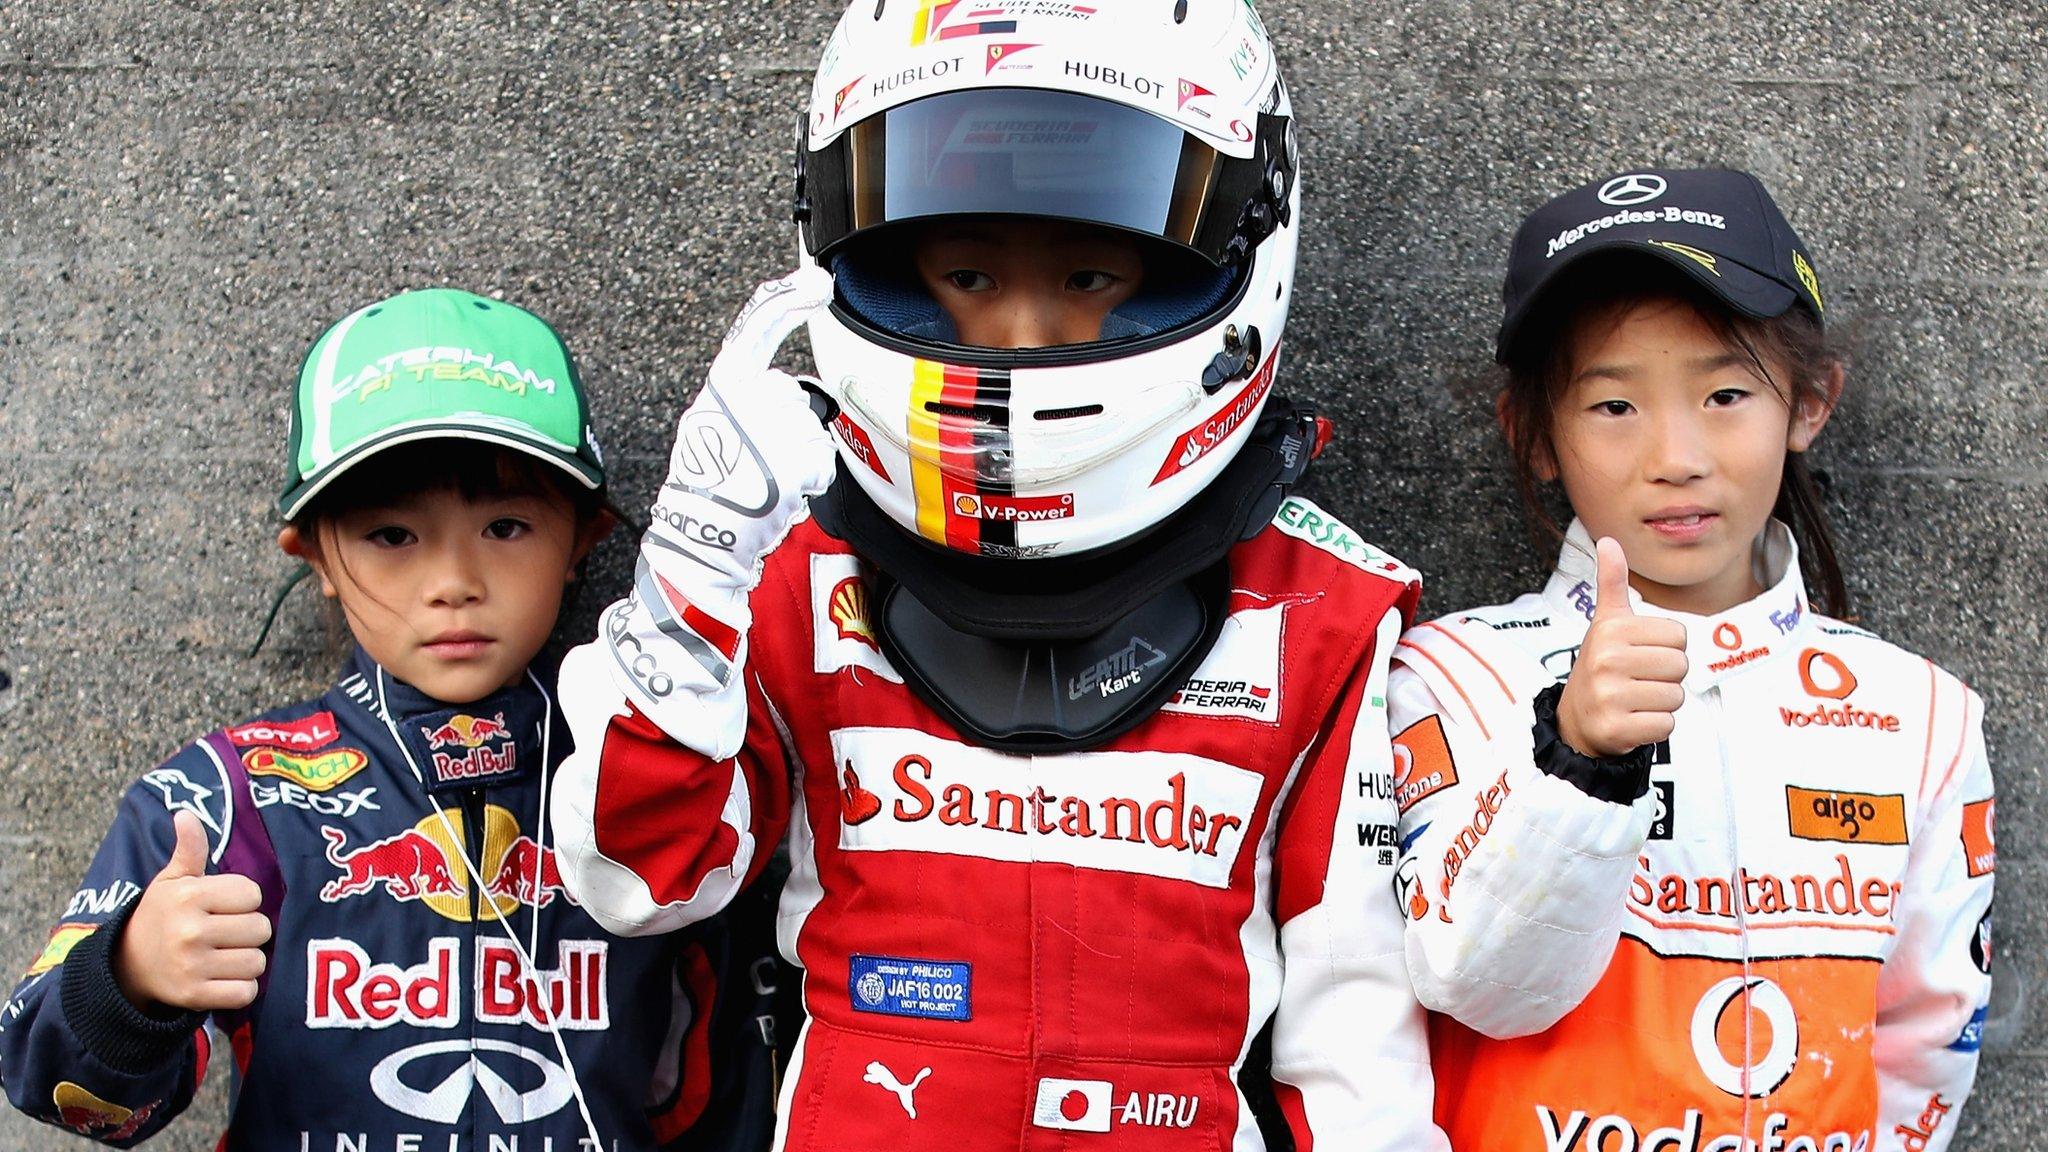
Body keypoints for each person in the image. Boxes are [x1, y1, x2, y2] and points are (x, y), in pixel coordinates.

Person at [550, 2, 1448, 1149]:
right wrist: (682, 587)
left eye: (1090, 273)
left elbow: (1355, 1048)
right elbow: (641, 880)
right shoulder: (782, 556)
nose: (1024, 335)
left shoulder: (1319, 605)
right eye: (965, 273)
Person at [1, 289, 781, 1150]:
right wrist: (131, 981)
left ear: (585, 540)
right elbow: (53, 1087)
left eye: (506, 525)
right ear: (315, 556)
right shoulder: (231, 791)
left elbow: (738, 1071)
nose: (453, 579)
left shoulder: (656, 773)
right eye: (393, 535)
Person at [1388, 168, 1995, 1151]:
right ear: (1531, 434)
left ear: (1806, 404)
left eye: (1721, 393)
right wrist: (1576, 759)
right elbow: (1476, 988)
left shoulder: (1921, 715)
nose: (1675, 454)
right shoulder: (1450, 675)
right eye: (1612, 407)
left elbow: (1926, 1046)